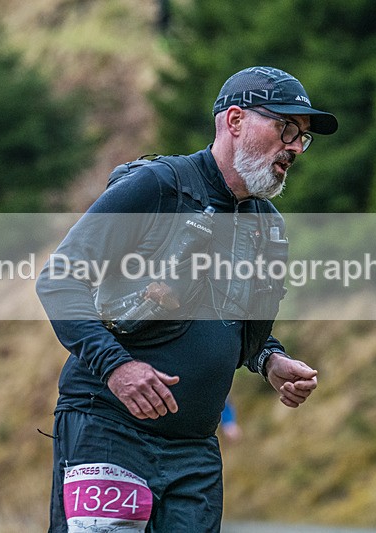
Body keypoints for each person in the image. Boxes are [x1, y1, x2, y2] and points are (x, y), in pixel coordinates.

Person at [37, 65, 337, 532]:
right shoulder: (158, 186)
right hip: (108, 431)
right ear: (235, 121)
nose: (296, 147)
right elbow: (58, 280)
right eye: (285, 128)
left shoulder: (267, 225)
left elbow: (237, 326)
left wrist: (269, 360)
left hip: (194, 452)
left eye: (302, 137)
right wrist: (117, 368)